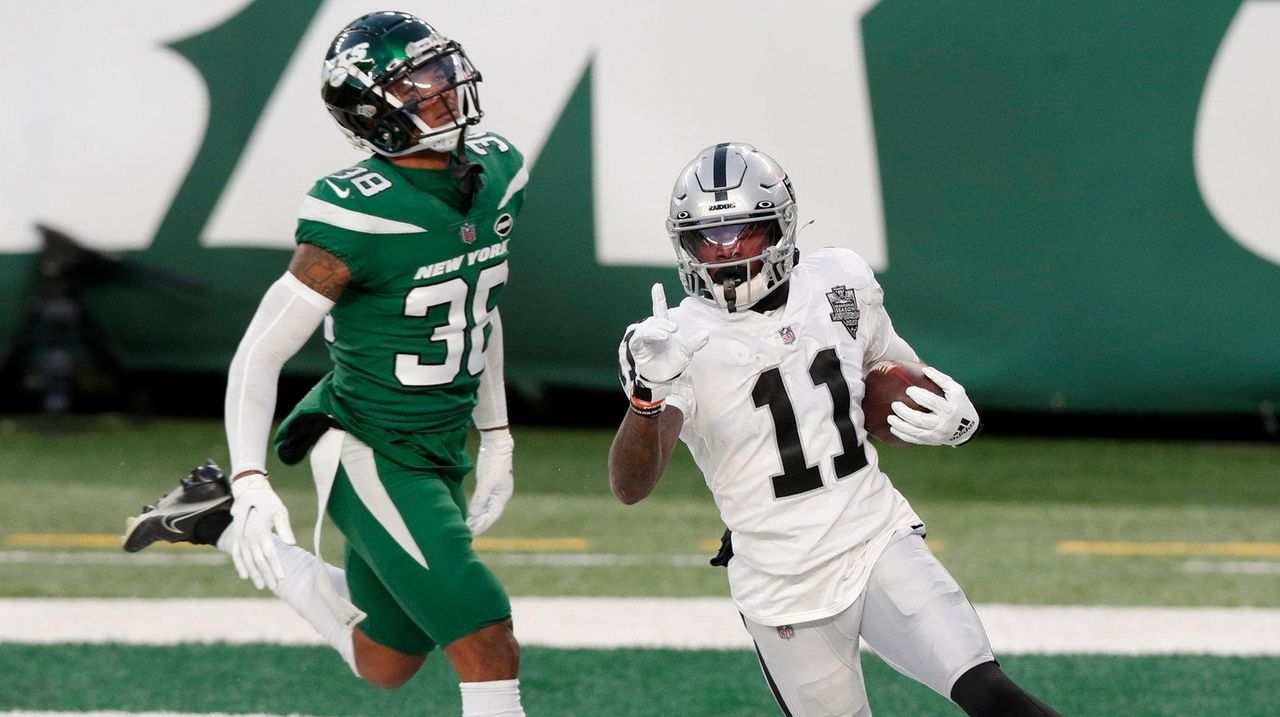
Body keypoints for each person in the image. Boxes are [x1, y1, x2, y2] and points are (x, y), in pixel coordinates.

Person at [122, 11, 528, 716]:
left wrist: (496, 433)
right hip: (369, 447)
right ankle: (231, 494)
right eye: (419, 82)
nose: (444, 88)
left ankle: (210, 518)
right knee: (487, 637)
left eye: (440, 70)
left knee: (387, 658)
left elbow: (478, 310)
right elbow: (261, 350)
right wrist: (253, 476)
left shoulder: (499, 170)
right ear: (375, 115)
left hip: (438, 444)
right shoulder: (353, 212)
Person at [609, 142, 1060, 716]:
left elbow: (888, 374)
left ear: (779, 227)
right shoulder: (671, 339)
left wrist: (951, 415)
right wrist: (648, 395)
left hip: (876, 538)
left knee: (989, 691)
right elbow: (631, 485)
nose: (722, 253)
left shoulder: (838, 281)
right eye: (706, 237)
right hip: (781, 583)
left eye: (741, 232)